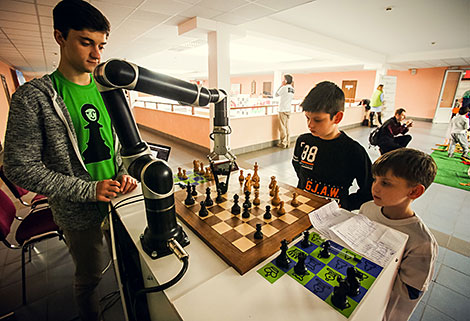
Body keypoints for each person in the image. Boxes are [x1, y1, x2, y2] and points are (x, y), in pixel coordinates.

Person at [3, 1, 137, 320]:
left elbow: (115, 145)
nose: (96, 55)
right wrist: (87, 191)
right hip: (78, 213)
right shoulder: (34, 97)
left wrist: (124, 172)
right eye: (86, 42)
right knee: (90, 277)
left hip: (119, 202)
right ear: (60, 37)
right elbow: (18, 167)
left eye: (101, 45)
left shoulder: (110, 92)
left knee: (128, 265)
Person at [359, 148, 438, 321]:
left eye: (386, 183)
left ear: (414, 192)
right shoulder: (367, 208)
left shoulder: (422, 243)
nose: (375, 187)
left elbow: (410, 291)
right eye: (375, 180)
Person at [292, 81, 373, 210]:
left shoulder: (354, 151)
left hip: (333, 214)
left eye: (317, 120)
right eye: (307, 118)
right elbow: (298, 168)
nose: (310, 125)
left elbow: (369, 189)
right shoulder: (303, 141)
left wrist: (346, 203)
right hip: (302, 206)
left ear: (337, 118)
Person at [275, 74, 294, 148]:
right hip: (288, 109)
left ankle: (283, 143)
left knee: (282, 127)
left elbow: (276, 94)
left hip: (282, 109)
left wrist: (281, 85)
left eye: (283, 79)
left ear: (286, 80)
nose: (282, 80)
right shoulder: (292, 89)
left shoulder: (284, 88)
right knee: (286, 127)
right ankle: (288, 142)